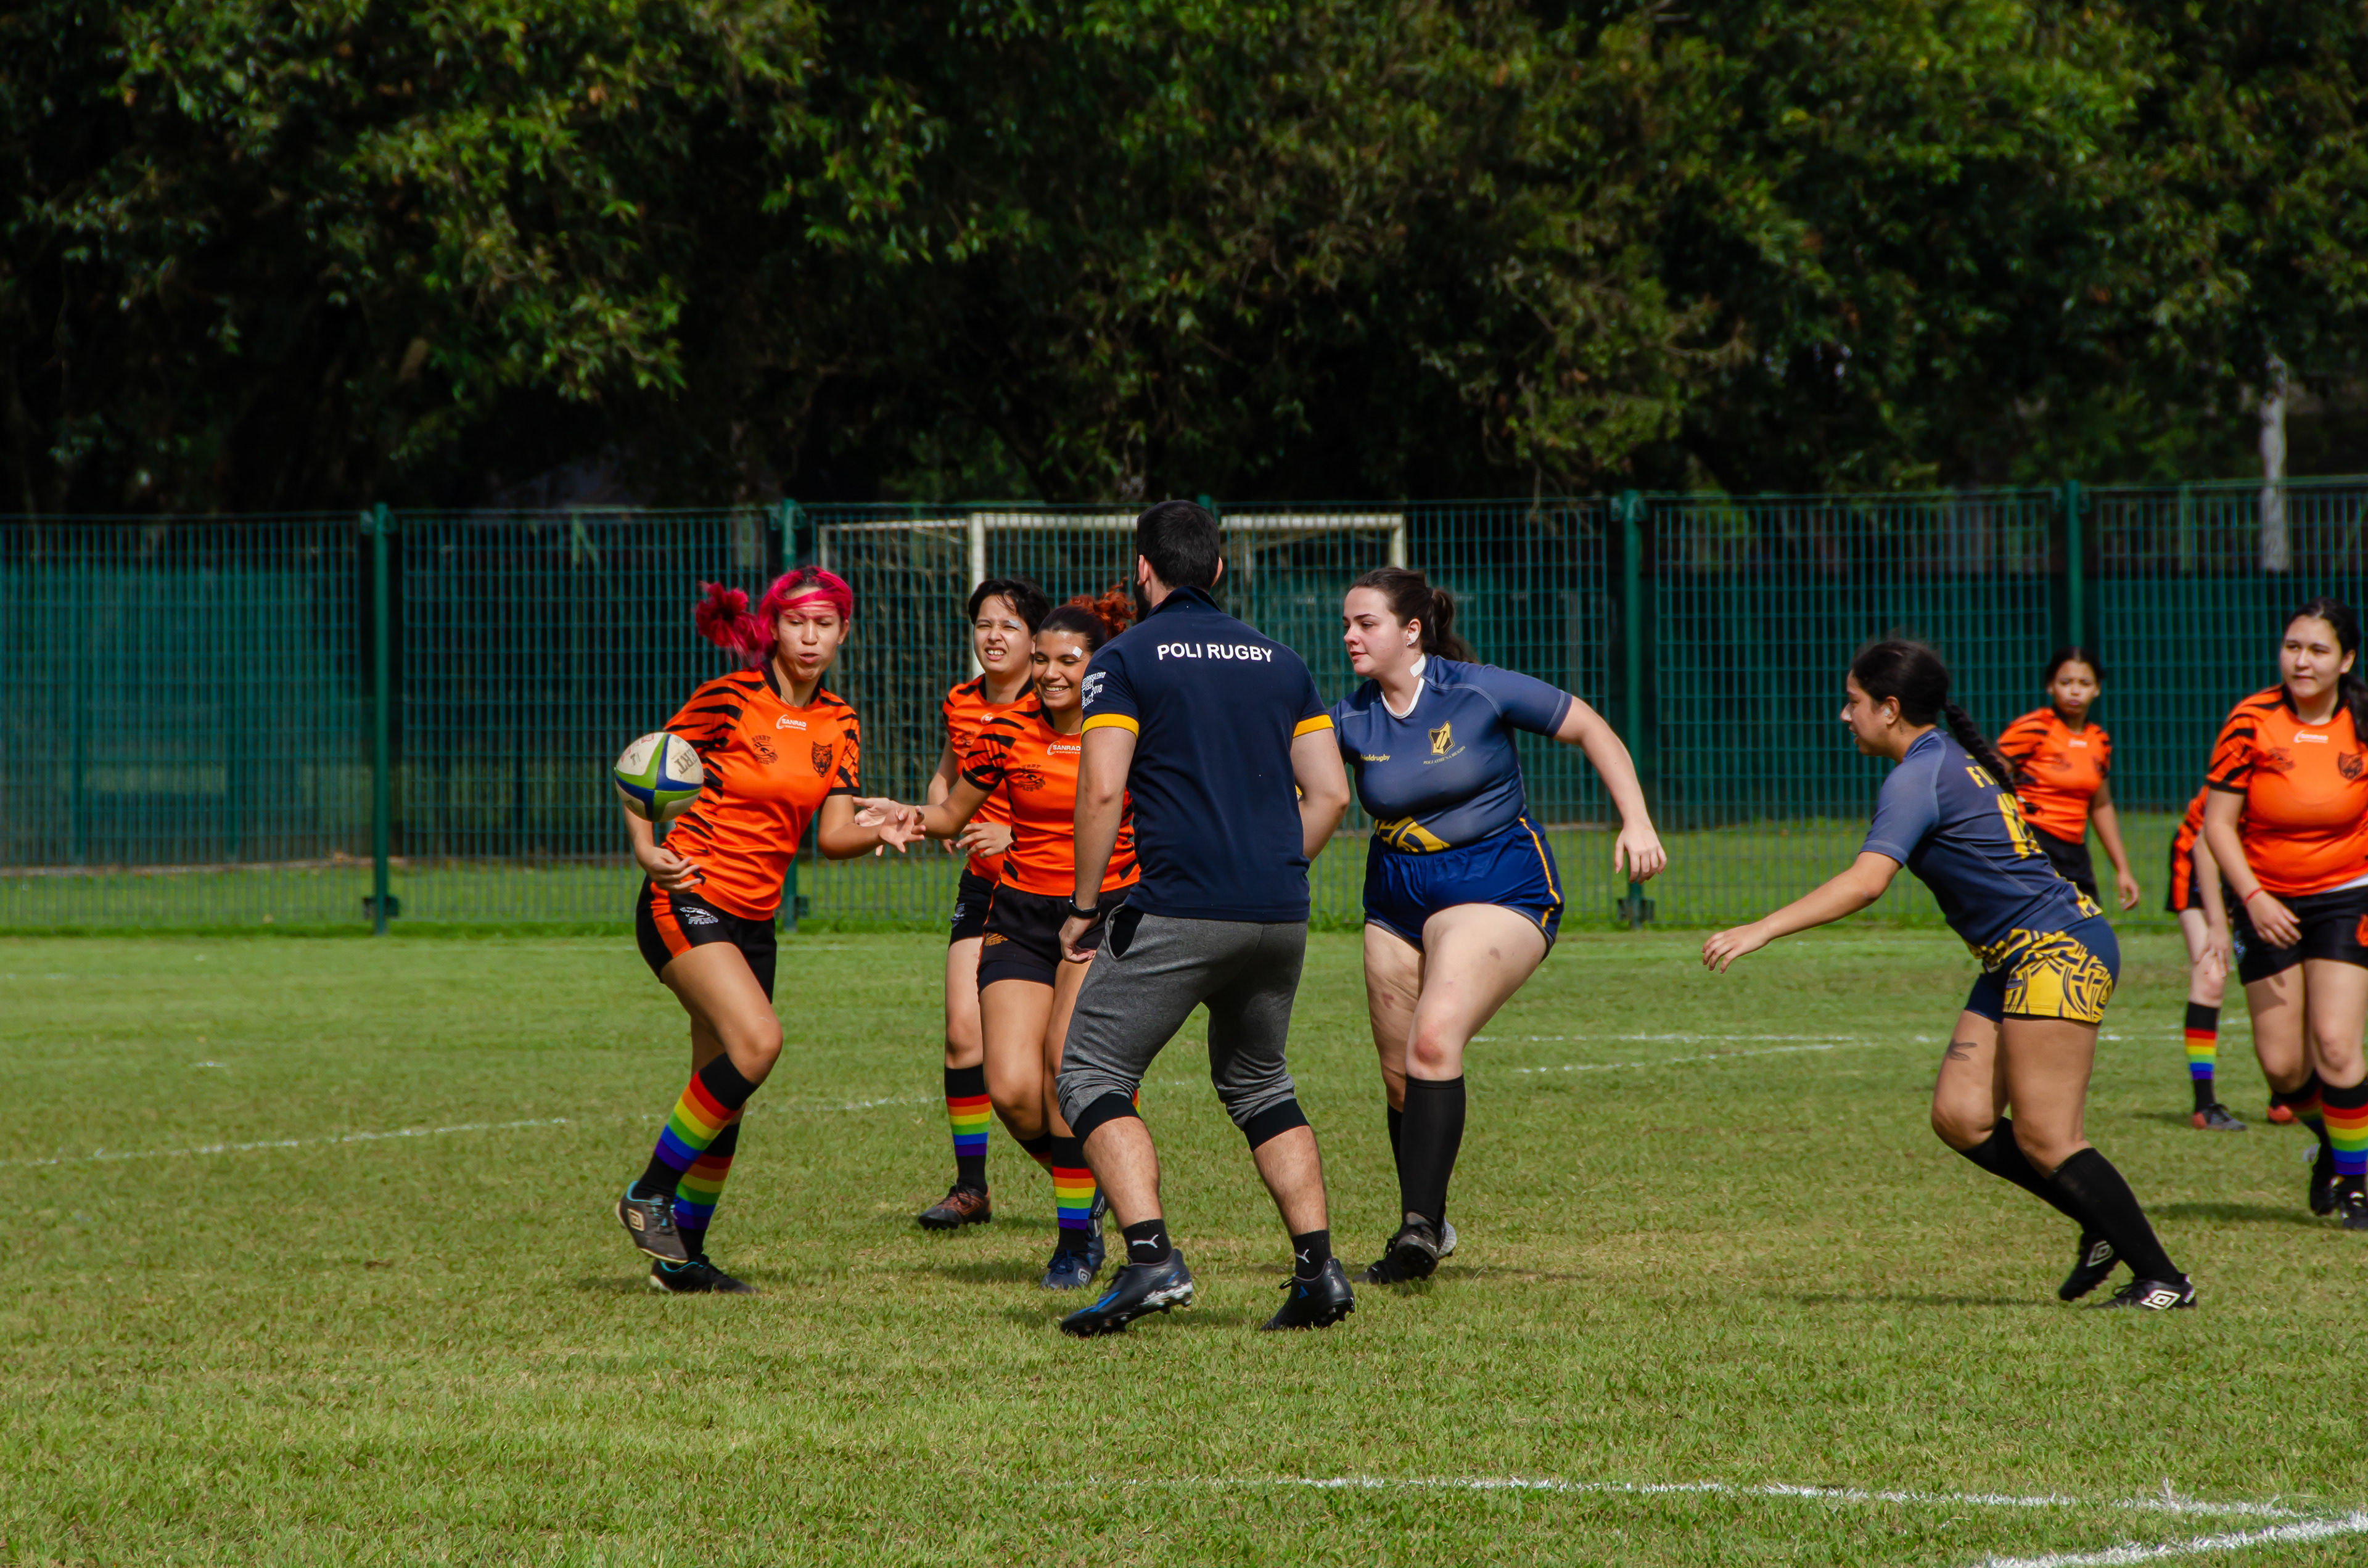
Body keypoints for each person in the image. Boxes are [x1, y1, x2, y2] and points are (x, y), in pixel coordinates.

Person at [1704, 639, 2195, 1310]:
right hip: (2017, 955)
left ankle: (2165, 1279)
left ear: (1890, 707)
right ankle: (2102, 1222)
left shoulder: (1916, 774)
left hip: (2058, 948)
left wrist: (1761, 927)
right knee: (1962, 1117)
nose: (1845, 716)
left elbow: (1867, 882)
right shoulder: (1942, 760)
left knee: (2048, 1135)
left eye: (1853, 702)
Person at [1050, 499, 1357, 1336]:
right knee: (1260, 1081)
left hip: (1180, 902)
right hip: (1279, 909)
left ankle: (1149, 1256)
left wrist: (1083, 908)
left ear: (1142, 570)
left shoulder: (1123, 658)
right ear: (1218, 570)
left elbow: (1104, 787)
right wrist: (1271, 870)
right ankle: (1318, 1270)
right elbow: (1330, 791)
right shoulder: (1280, 659)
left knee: (1090, 1073)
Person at [1330, 567, 1666, 1282]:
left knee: (1433, 1037)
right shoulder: (1350, 716)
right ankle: (1433, 1218)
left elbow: (1591, 728)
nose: (1351, 635)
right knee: (1401, 1079)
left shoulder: (1476, 688)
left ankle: (1415, 1234)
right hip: (1394, 896)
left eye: (1367, 623)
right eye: (1349, 623)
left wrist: (1635, 819)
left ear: (1411, 630)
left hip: (1498, 882)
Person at [614, 569, 921, 1292]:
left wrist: (885, 826)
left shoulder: (841, 720)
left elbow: (835, 832)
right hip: (688, 897)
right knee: (760, 1042)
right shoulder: (731, 696)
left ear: (845, 631)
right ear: (772, 628)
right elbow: (643, 764)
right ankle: (648, 1191)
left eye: (824, 625)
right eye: (796, 623)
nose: (809, 638)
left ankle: (680, 1261)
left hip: (756, 920)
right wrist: (643, 844)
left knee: (725, 1090)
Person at [911, 589, 1139, 1287]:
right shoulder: (1004, 730)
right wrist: (902, 817)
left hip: (1096, 917)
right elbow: (951, 814)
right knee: (1010, 1088)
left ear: (1097, 666)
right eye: (1041, 658)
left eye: (1067, 659)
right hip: (1017, 915)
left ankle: (1075, 1242)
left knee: (1060, 1073)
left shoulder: (1129, 731)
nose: (1049, 671)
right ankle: (1095, 1181)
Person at [2199, 598, 2368, 1229]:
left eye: (2318, 649)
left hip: (2347, 895)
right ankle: (2337, 1140)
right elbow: (2217, 824)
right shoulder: (2251, 718)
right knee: (2284, 1068)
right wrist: (2253, 897)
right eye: (2293, 646)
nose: (2302, 660)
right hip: (2265, 896)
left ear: (2345, 659)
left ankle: (2357, 1186)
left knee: (2335, 1043)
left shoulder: (2363, 718)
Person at [916, 577, 1052, 1231]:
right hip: (982, 888)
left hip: (1044, 890)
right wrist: (941, 804)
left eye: (1009, 625)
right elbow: (950, 770)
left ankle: (1089, 1170)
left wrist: (1013, 833)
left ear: (1035, 640)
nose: (993, 636)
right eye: (983, 624)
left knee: (1048, 1059)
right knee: (960, 1032)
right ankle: (972, 1187)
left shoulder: (1055, 707)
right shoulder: (962, 701)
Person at [1995, 649, 2141, 912]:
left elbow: (2101, 806)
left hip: (2074, 849)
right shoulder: (2033, 727)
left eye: (2084, 683)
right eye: (2066, 683)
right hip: (2033, 842)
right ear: (2050, 686)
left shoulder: (2099, 741)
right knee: (2038, 925)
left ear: (2097, 689)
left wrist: (2123, 870)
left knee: (2088, 924)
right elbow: (1989, 776)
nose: (2075, 691)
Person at [2163, 787, 2243, 1131]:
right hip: (2200, 868)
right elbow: (2204, 845)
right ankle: (2204, 1104)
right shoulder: (2248, 765)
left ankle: (2286, 1094)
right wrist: (2217, 922)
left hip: (2261, 865)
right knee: (2211, 976)